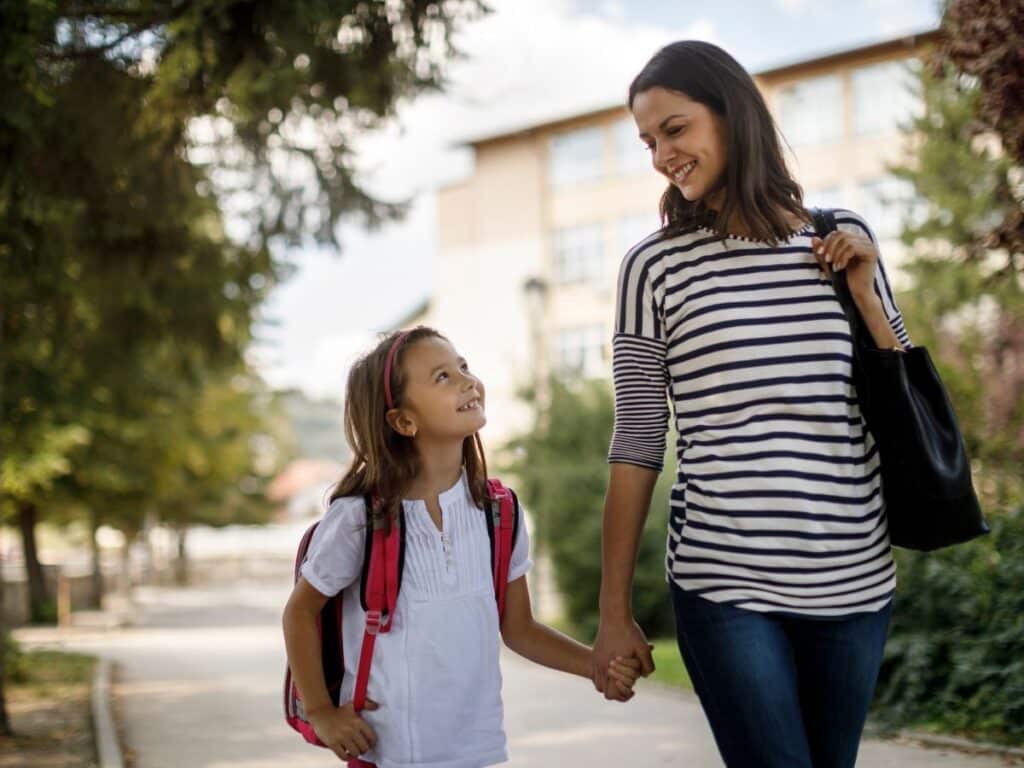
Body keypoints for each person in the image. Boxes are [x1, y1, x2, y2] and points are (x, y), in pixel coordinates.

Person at [589, 41, 912, 768]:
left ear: (732, 115)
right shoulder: (653, 267)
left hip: (854, 578)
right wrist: (614, 612)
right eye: (648, 141)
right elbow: (638, 438)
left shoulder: (839, 239)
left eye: (674, 130)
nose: (661, 155)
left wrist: (864, 289)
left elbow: (904, 399)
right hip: (726, 578)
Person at [283, 326, 642, 768]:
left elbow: (519, 628)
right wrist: (320, 712)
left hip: (477, 750)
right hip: (389, 753)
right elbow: (300, 611)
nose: (467, 381)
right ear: (403, 421)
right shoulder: (362, 519)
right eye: (442, 377)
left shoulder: (499, 513)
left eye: (464, 367)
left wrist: (594, 666)